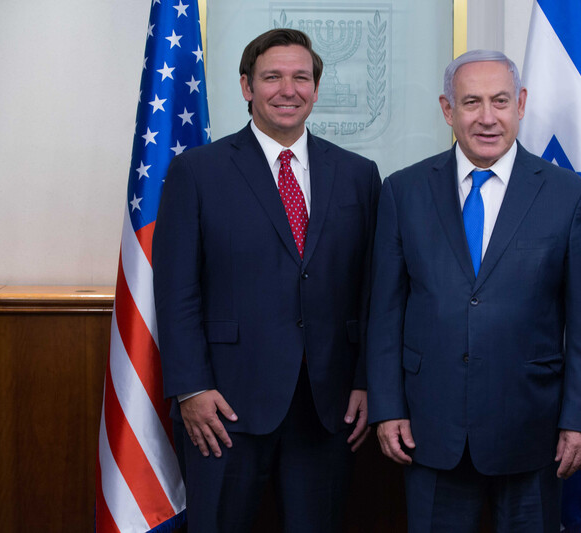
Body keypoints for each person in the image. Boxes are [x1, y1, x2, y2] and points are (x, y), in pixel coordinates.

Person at [366, 49, 581, 532]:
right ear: (447, 109)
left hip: (533, 432)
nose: (486, 117)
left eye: (499, 101)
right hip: (430, 431)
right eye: (471, 102)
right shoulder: (403, 191)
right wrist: (388, 407)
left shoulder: (569, 196)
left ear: (520, 103)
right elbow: (386, 313)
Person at [152, 28, 381, 532]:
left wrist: (367, 380)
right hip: (224, 404)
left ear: (316, 90)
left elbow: (372, 292)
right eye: (272, 76)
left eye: (301, 77)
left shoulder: (359, 175)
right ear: (246, 87)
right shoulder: (197, 171)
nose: (287, 89)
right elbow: (176, 290)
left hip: (329, 405)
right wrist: (191, 388)